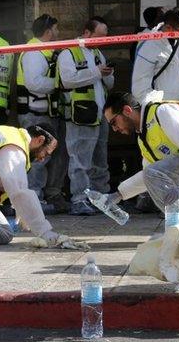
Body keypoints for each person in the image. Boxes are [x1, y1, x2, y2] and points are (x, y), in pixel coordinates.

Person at [102, 91, 179, 213]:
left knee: (156, 175)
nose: (114, 129)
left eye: (113, 122)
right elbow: (149, 178)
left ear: (127, 110)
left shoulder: (162, 112)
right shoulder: (144, 138)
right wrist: (119, 194)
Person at [57, 16, 115, 215]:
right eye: (98, 37)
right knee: (80, 160)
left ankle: (101, 197)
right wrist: (97, 71)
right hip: (80, 114)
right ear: (87, 33)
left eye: (104, 38)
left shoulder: (98, 53)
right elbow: (68, 80)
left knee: (100, 160)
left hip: (100, 114)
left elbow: (109, 83)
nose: (101, 41)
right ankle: (79, 199)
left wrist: (106, 74)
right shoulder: (68, 53)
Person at [16, 14, 70, 214]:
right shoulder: (33, 52)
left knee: (52, 156)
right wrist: (60, 84)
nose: (58, 33)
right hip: (35, 115)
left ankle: (48, 195)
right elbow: (34, 83)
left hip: (46, 113)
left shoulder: (43, 51)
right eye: (56, 29)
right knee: (38, 158)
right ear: (48, 32)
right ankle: (34, 199)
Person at [132, 7, 179, 105]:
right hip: (161, 102)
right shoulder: (149, 44)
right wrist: (153, 103)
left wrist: (177, 86)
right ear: (169, 28)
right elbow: (140, 82)